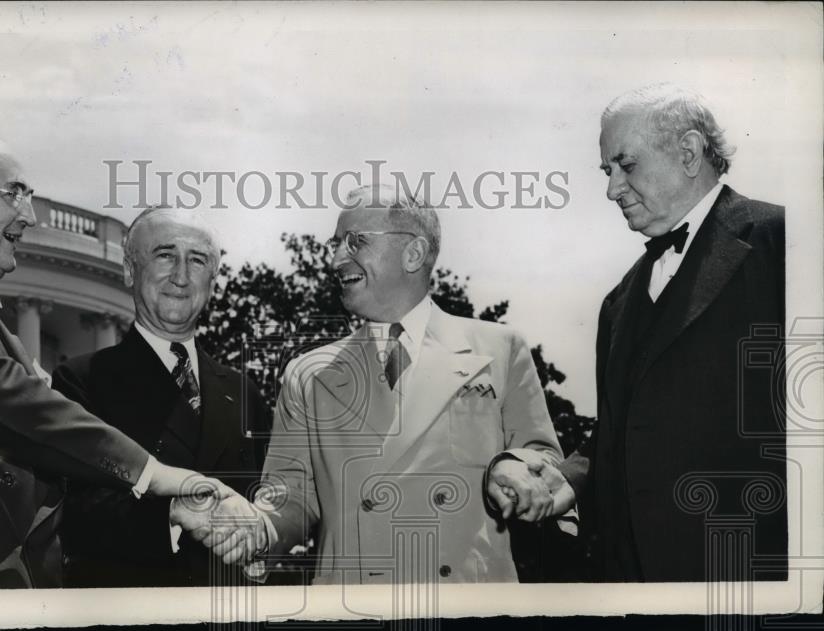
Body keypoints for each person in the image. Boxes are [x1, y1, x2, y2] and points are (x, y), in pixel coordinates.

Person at [0, 129, 229, 590]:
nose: (29, 216)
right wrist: (154, 475)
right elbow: (4, 398)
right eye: (14, 194)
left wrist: (170, 510)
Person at [494, 83, 788, 582]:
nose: (611, 189)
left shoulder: (784, 241)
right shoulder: (619, 299)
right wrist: (566, 481)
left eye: (625, 166)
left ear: (689, 153)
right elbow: (617, 434)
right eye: (607, 172)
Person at [205, 183, 564, 584]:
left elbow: (544, 458)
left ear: (414, 253)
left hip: (470, 611)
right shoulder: (307, 374)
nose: (337, 258)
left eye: (355, 242)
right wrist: (258, 530)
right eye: (336, 243)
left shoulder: (501, 349)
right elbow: (289, 499)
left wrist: (517, 468)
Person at [51, 208, 271, 587]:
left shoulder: (243, 391)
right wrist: (171, 512)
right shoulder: (81, 381)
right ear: (129, 271)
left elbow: (273, 500)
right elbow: (69, 514)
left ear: (213, 281)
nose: (182, 276)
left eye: (197, 260)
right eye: (165, 255)